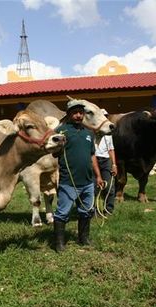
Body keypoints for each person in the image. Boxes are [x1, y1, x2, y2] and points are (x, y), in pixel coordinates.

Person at [52, 100, 104, 253]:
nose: (78, 115)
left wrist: (98, 176)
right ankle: (59, 244)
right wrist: (59, 145)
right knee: (62, 212)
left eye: (81, 112)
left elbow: (92, 156)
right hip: (69, 181)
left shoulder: (89, 133)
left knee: (86, 211)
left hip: (88, 181)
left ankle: (84, 238)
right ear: (68, 114)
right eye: (75, 112)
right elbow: (54, 153)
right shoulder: (61, 131)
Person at [94, 109, 117, 214]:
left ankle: (109, 209)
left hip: (105, 160)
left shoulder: (108, 134)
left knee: (109, 186)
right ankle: (92, 209)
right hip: (93, 159)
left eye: (106, 116)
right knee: (93, 187)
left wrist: (114, 164)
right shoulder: (91, 132)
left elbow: (111, 149)